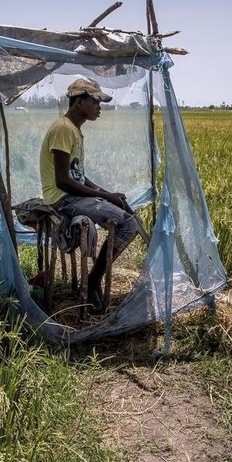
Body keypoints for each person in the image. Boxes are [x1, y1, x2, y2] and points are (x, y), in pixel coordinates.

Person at [39, 77, 143, 312]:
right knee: (128, 224)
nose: (99, 108)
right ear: (79, 102)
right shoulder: (63, 129)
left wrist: (108, 193)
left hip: (72, 197)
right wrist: (105, 198)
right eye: (95, 101)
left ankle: (94, 278)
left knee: (129, 215)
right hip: (62, 200)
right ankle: (93, 281)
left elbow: (78, 177)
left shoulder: (73, 130)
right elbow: (63, 181)